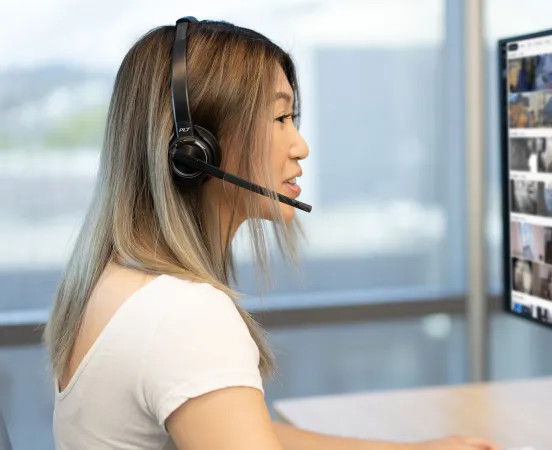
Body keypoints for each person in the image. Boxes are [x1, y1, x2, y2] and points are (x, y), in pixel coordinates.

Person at [44, 19, 500, 450]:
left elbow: (246, 429)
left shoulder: (121, 281)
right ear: (196, 149)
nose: (300, 146)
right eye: (280, 119)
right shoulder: (183, 314)